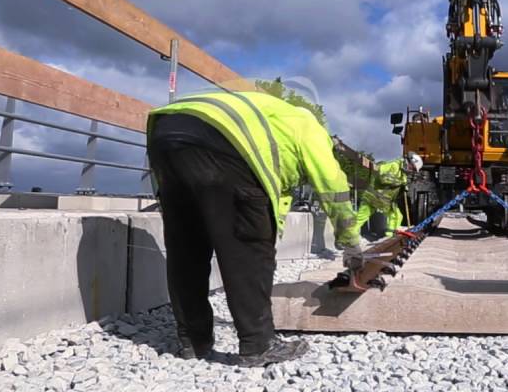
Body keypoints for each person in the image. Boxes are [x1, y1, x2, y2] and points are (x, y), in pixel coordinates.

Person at [147, 85, 363, 367]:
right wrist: (351, 242)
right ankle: (258, 344)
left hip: (164, 132)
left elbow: (276, 200)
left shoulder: (268, 119)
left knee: (186, 248)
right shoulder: (307, 124)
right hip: (222, 142)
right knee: (247, 248)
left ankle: (193, 341)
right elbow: (333, 185)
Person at [353, 153, 422, 238]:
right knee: (361, 217)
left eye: (413, 170)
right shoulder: (394, 165)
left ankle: (390, 236)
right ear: (408, 162)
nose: (411, 170)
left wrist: (403, 187)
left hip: (384, 199)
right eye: (412, 168)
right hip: (373, 196)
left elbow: (399, 186)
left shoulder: (403, 174)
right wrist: (399, 183)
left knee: (397, 216)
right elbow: (382, 177)